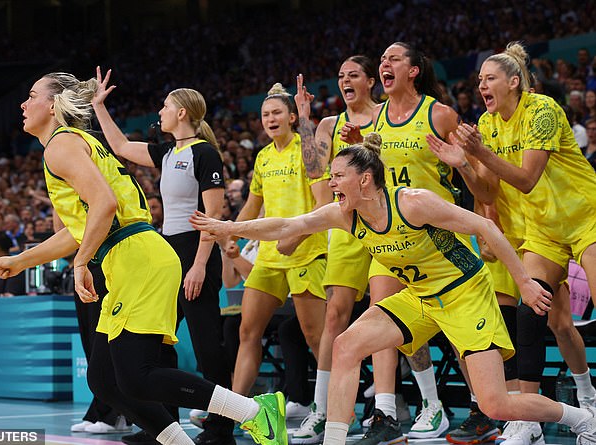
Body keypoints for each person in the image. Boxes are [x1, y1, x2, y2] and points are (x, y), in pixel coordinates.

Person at [190, 133, 596, 445]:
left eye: (338, 176)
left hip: (464, 294)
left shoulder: (413, 202)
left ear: (365, 180)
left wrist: (524, 282)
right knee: (347, 345)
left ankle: (581, 419)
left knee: (496, 403)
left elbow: (484, 226)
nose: (331, 183)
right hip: (418, 298)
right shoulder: (345, 213)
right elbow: (288, 225)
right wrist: (231, 227)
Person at [0, 72, 287, 445]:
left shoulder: (60, 146)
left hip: (138, 257)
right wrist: (22, 259)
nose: (23, 104)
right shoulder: (74, 143)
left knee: (136, 375)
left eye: (31, 96)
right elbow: (79, 228)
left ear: (54, 104)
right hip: (133, 255)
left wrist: (80, 264)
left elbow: (104, 206)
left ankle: (255, 411)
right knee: (105, 381)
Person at [427, 41, 596, 445]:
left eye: (490, 79)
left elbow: (526, 179)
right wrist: (464, 163)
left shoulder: (542, 110)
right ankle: (529, 419)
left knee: (565, 320)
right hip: (543, 231)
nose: (481, 85)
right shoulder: (487, 126)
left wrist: (479, 150)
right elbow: (488, 193)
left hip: (586, 217)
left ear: (514, 82)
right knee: (530, 311)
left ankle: (587, 394)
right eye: (479, 80)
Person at [91, 69, 235, 445]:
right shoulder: (168, 151)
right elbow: (121, 146)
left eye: (166, 106)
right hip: (166, 251)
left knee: (207, 344)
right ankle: (163, 426)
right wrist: (98, 106)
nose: (160, 111)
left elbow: (212, 217)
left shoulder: (205, 154)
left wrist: (200, 264)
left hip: (195, 251)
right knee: (158, 343)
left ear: (183, 113)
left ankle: (222, 428)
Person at [340, 42, 463, 443]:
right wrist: (360, 142)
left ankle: (484, 403)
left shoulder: (439, 114)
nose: (385, 64)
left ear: (413, 70)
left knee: (459, 331)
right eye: (382, 60)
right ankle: (398, 411)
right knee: (386, 319)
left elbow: (476, 179)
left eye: (393, 59)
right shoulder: (375, 121)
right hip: (392, 237)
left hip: (442, 241)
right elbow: (369, 172)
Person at [228, 83, 330, 412]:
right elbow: (253, 205)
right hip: (270, 256)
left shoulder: (308, 149)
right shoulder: (263, 157)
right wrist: (232, 231)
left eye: (276, 113)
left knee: (315, 335)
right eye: (265, 114)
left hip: (307, 249)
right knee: (247, 330)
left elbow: (323, 203)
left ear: (290, 116)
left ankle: (327, 408)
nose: (270, 119)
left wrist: (296, 235)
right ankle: (233, 409)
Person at [292, 55, 377, 443]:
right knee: (334, 317)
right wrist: (305, 119)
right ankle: (322, 410)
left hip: (386, 224)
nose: (345, 80)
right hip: (347, 228)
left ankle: (396, 405)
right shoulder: (330, 124)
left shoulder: (387, 116)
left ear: (370, 81)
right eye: (341, 75)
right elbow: (316, 172)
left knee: (392, 313)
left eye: (353, 74)